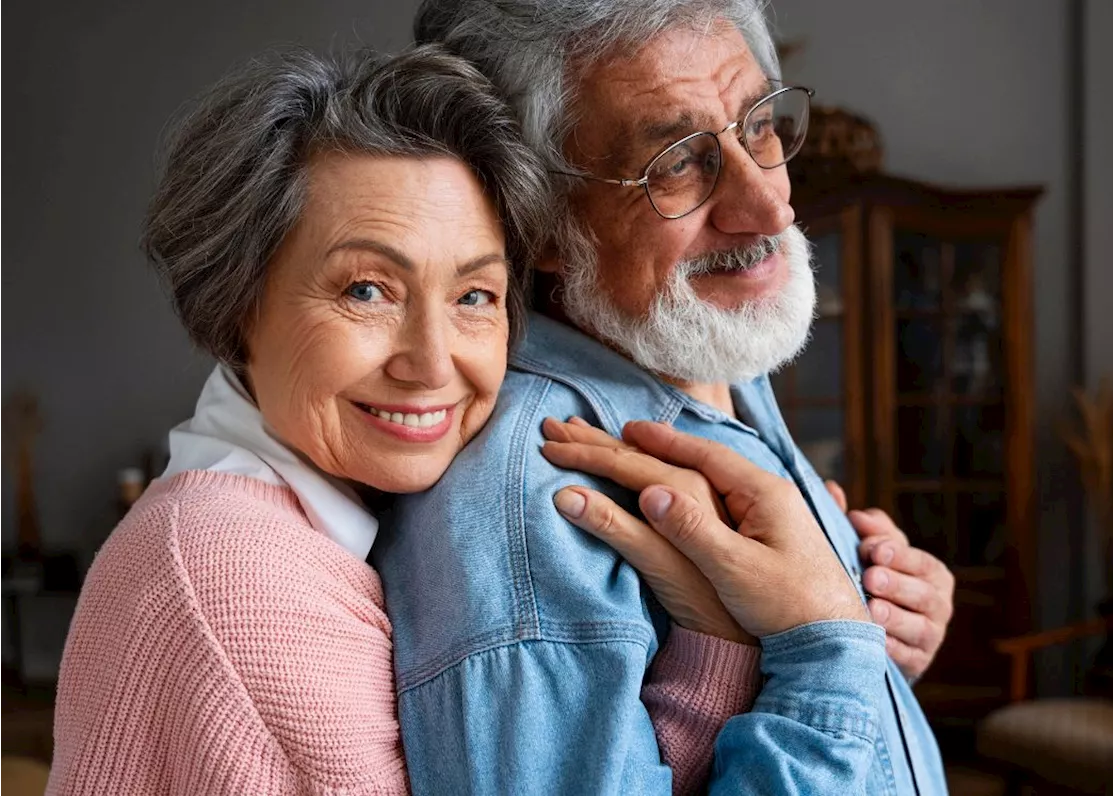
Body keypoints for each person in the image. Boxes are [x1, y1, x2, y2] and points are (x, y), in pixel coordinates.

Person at [47, 44, 771, 795]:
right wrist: (743, 653)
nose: (431, 363)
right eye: (367, 290)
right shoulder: (237, 572)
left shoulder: (292, 523)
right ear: (236, 302)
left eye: (474, 296)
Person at [369, 0, 956, 793]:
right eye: (678, 161)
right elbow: (821, 664)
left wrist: (873, 649)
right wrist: (829, 649)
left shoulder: (705, 353)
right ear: (536, 221)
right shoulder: (531, 504)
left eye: (760, 125)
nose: (771, 206)